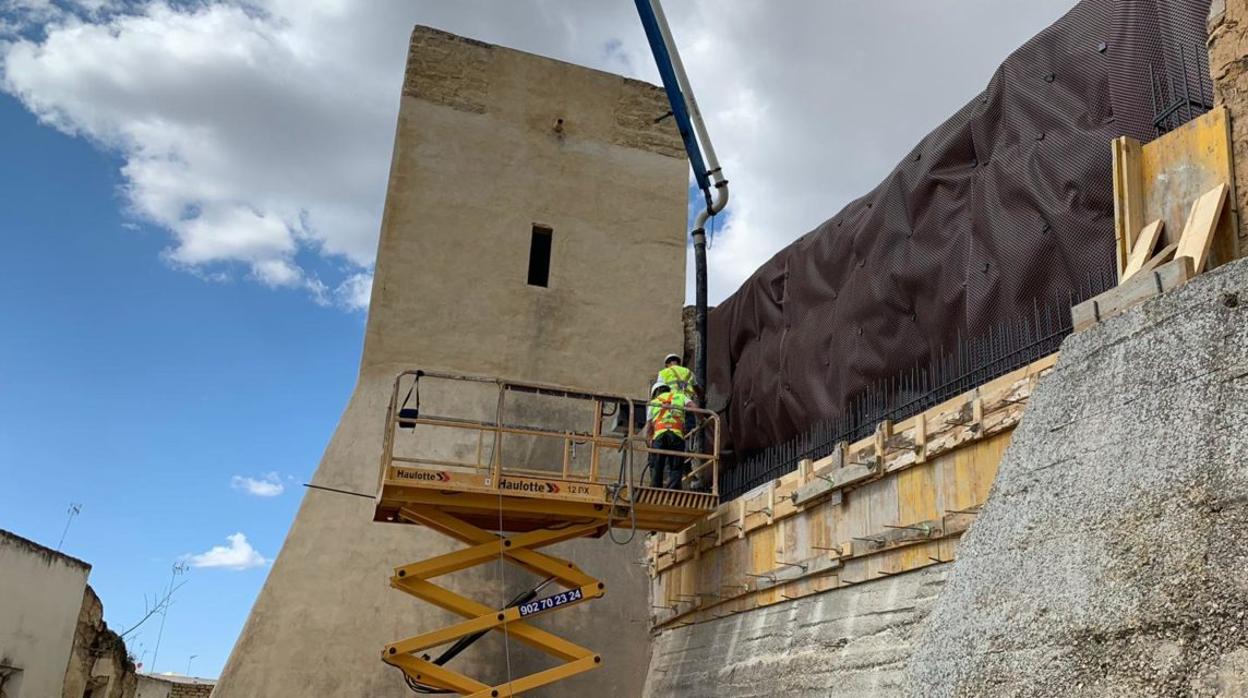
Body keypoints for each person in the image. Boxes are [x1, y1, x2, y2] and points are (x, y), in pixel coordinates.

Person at [644, 381, 692, 490]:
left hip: (659, 436)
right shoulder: (680, 397)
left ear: (655, 393)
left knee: (657, 464)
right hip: (676, 435)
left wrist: (649, 446)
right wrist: (703, 419)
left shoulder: (653, 403)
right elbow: (693, 406)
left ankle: (655, 488)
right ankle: (673, 489)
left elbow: (649, 429)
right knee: (676, 465)